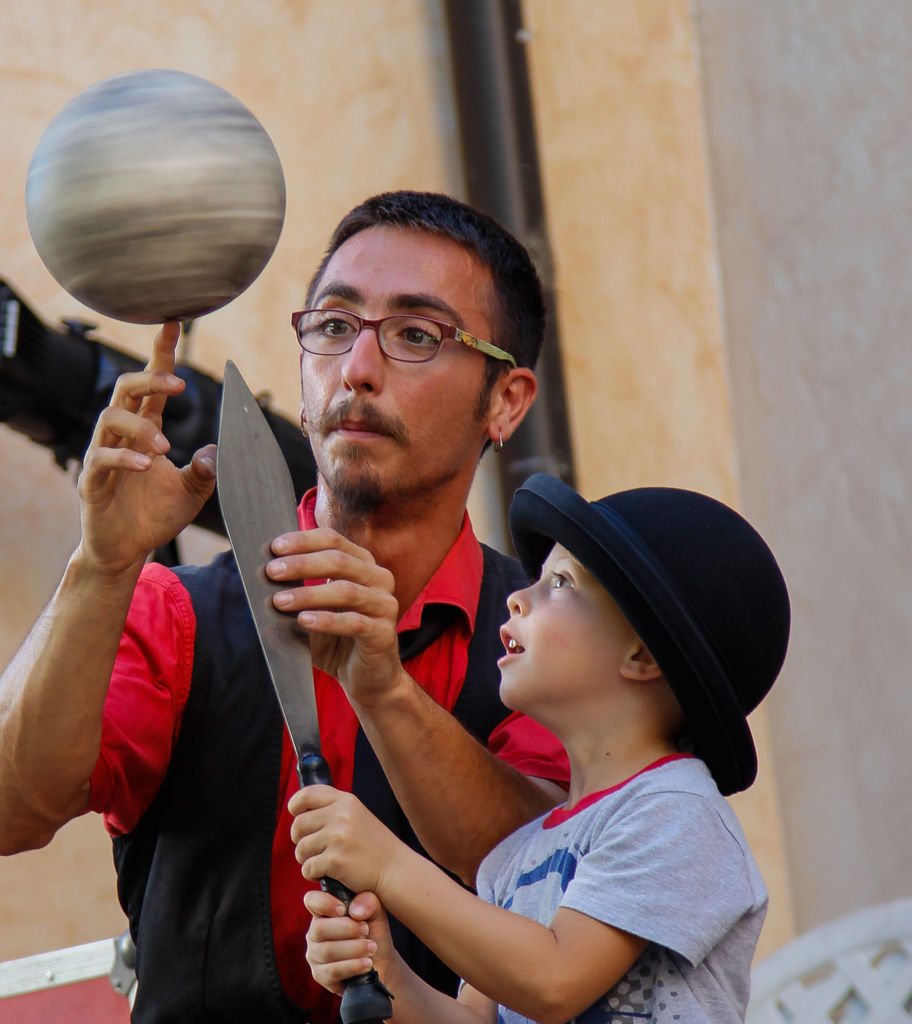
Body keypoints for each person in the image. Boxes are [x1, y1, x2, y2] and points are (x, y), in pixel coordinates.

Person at [0, 192, 573, 1022]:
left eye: (416, 335)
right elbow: (12, 813)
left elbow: (554, 863)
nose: (358, 369)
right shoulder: (175, 614)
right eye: (335, 327)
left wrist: (387, 694)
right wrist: (101, 565)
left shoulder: (551, 636)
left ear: (507, 401)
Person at [295, 473, 791, 1024]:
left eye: (559, 582)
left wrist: (388, 866)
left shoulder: (676, 811)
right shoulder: (517, 853)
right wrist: (387, 976)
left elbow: (555, 982)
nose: (516, 597)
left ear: (643, 655)